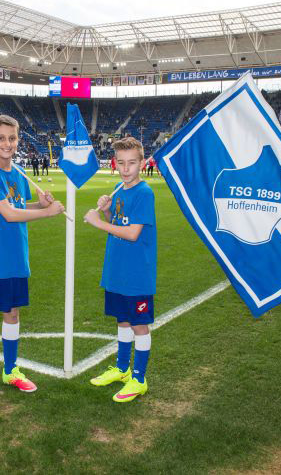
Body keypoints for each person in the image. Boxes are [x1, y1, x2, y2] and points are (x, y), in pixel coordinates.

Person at [0, 115, 64, 406]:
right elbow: (9, 214)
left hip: (17, 258)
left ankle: (10, 372)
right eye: (1, 138)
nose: (7, 144)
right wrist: (47, 214)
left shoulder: (19, 172)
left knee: (12, 314)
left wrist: (43, 204)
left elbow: (23, 206)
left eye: (12, 138)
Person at [83, 136, 156, 403]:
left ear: (142, 163)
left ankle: (139, 379)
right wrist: (104, 211)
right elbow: (117, 223)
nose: (126, 169)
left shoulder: (144, 193)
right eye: (121, 163)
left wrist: (96, 223)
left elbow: (133, 233)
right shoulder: (118, 188)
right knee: (122, 320)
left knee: (139, 325)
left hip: (137, 273)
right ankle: (122, 369)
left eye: (132, 163)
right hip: (117, 270)